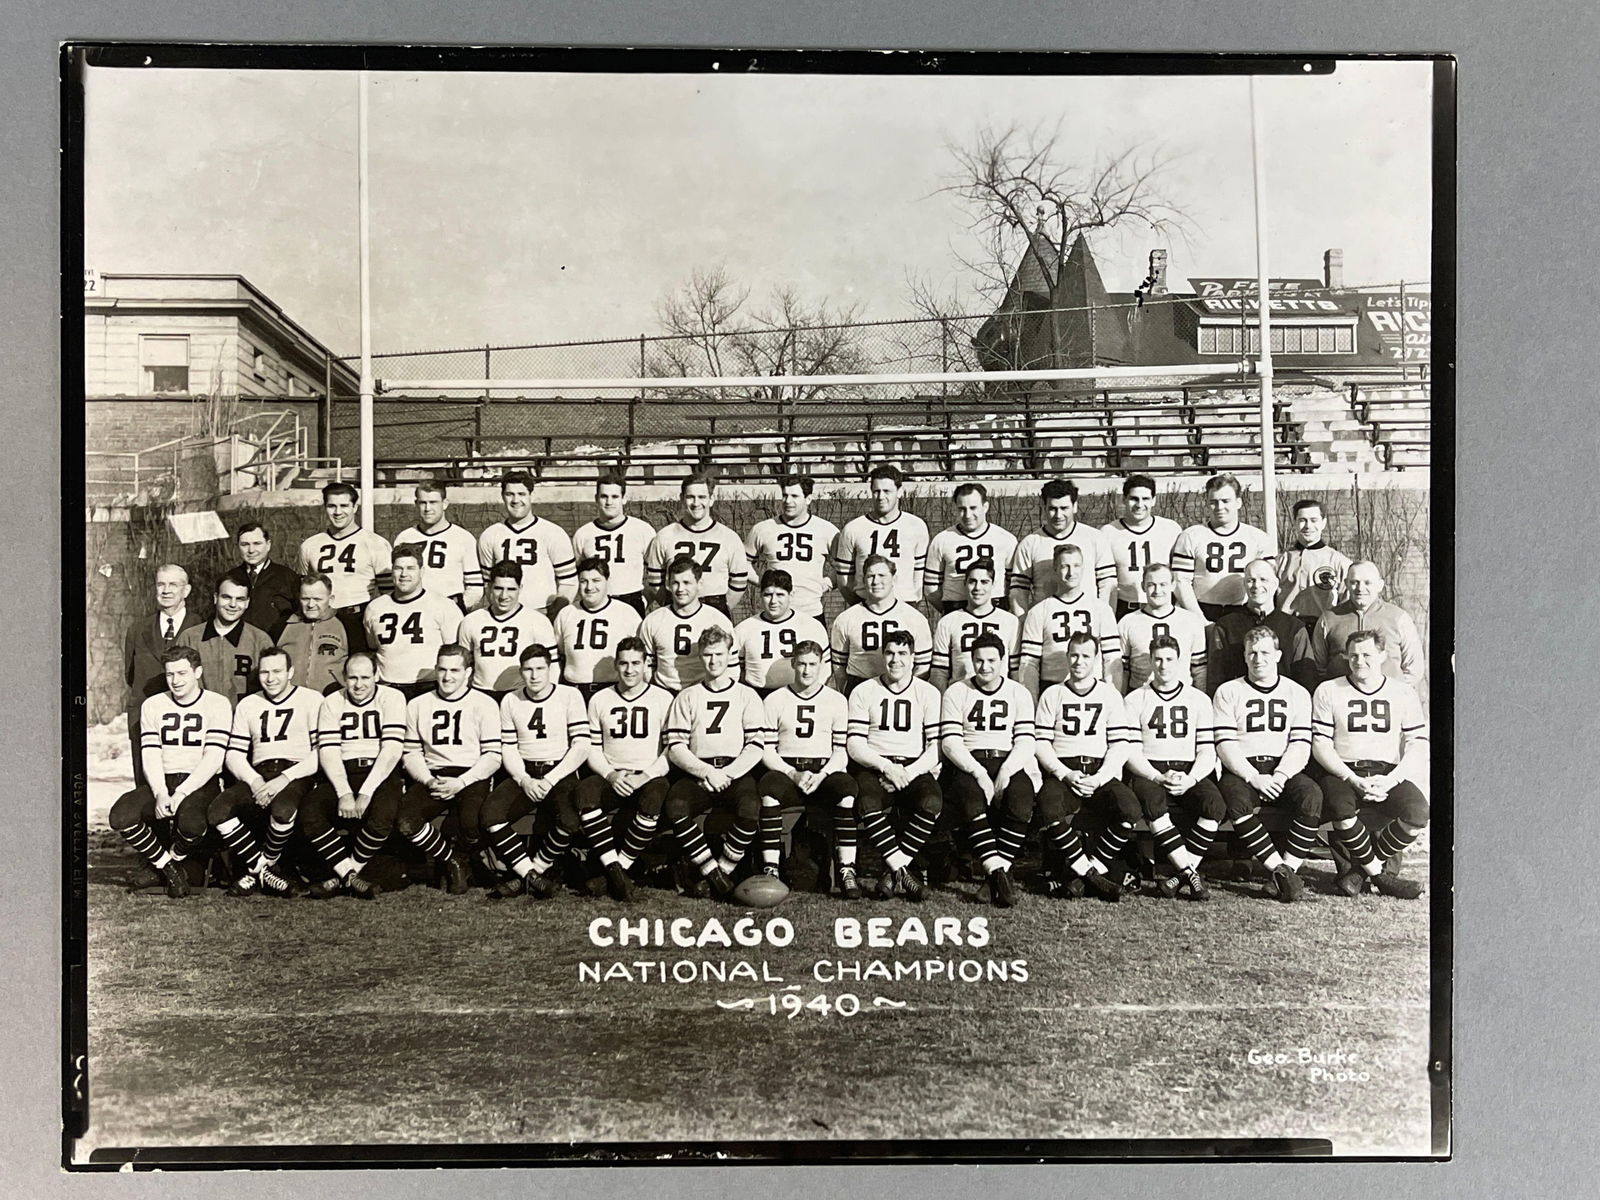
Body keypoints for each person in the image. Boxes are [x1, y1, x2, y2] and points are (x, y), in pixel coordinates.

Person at [1311, 629, 1430, 900]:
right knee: (1341, 810)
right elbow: (1321, 745)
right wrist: (1352, 778)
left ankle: (1359, 873)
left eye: (1367, 654)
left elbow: (1418, 743)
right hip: (1343, 771)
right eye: (1353, 655)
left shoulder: (1402, 692)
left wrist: (1392, 779)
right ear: (1344, 657)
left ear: (1382, 655)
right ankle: (1380, 876)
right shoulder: (1329, 690)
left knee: (1418, 812)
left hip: (1386, 772)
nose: (1359, 660)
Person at [106, 645, 232, 897]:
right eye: (170, 674)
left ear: (198, 672)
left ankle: (166, 865)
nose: (175, 681)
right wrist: (161, 792)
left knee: (192, 824)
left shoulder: (217, 703)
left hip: (200, 782)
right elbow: (150, 753)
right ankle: (170, 869)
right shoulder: (153, 705)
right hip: (163, 781)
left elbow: (214, 756)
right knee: (120, 815)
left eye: (182, 673)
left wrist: (183, 792)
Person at [1213, 626, 1322, 903]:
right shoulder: (1228, 691)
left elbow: (1300, 743)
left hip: (1281, 768)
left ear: (1278, 655)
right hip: (1242, 769)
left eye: (1264, 652)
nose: (1258, 658)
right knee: (1236, 802)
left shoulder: (1296, 693)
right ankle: (1281, 872)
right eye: (1252, 652)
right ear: (1244, 656)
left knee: (1312, 795)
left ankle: (1286, 871)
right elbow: (1225, 744)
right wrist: (1253, 777)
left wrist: (1281, 775)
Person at [662, 628, 771, 897]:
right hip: (699, 772)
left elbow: (756, 746)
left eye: (719, 654)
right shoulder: (687, 696)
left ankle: (723, 870)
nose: (713, 661)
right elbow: (676, 747)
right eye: (708, 655)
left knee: (750, 807)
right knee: (676, 806)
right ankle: (713, 874)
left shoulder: (747, 695)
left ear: (730, 654)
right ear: (700, 656)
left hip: (734, 771)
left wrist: (728, 774)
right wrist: (707, 772)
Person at [209, 646, 325, 897]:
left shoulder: (311, 699)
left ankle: (255, 872)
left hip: (297, 773)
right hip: (260, 773)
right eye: (264, 672)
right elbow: (234, 753)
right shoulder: (248, 704)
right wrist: (255, 781)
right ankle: (265, 869)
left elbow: (322, 753)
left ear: (290, 672)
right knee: (218, 811)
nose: (270, 679)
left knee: (283, 811)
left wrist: (284, 779)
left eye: (277, 671)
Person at [480, 645, 593, 900]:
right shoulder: (511, 700)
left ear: (551, 669)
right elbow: (508, 747)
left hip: (560, 769)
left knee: (569, 821)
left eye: (540, 668)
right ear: (521, 671)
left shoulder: (569, 695)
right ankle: (532, 876)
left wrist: (551, 779)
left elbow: (581, 745)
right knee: (490, 815)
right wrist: (524, 779)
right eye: (528, 669)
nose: (534, 675)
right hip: (526, 771)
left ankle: (528, 876)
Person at [570, 637, 675, 897]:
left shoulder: (663, 698)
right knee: (585, 793)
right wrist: (610, 774)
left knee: (654, 799)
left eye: (636, 663)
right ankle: (618, 873)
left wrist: (645, 776)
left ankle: (615, 873)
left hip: (648, 775)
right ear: (616, 666)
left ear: (647, 665)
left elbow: (670, 750)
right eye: (624, 664)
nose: (630, 670)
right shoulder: (599, 699)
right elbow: (592, 748)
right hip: (613, 774)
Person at [1033, 632, 1135, 901]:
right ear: (1067, 657)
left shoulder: (1109, 695)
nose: (1079, 662)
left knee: (1130, 809)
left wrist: (1100, 778)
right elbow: (1041, 744)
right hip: (1066, 770)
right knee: (1048, 806)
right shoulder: (1052, 694)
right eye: (1074, 655)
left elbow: (1120, 745)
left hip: (1099, 771)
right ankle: (1091, 877)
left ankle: (1082, 877)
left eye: (1086, 656)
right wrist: (1064, 774)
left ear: (1096, 659)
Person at [938, 633, 1038, 907]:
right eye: (979, 661)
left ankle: (994, 875)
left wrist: (1006, 770)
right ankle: (999, 874)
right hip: (968, 762)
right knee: (972, 801)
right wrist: (978, 772)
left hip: (1009, 760)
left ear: (1003, 661)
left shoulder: (1019, 692)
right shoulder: (957, 691)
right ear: (971, 661)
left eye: (992, 660)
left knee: (1021, 799)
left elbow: (1026, 740)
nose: (985, 667)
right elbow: (950, 742)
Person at [298, 650, 407, 899]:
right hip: (343, 771)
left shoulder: (393, 698)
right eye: (352, 678)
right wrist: (345, 792)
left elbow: (391, 750)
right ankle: (350, 876)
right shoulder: (332, 702)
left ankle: (342, 877)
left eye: (365, 677)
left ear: (377, 675)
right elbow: (328, 751)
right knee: (310, 811)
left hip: (380, 770)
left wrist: (366, 792)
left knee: (383, 814)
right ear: (343, 678)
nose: (358, 685)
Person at [396, 644, 504, 894]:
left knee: (470, 823)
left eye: (455, 670)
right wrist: (427, 780)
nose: (447, 677)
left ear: (468, 672)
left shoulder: (484, 704)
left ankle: (467, 863)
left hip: (471, 774)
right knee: (405, 822)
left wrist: (462, 782)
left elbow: (492, 756)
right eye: (442, 669)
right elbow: (411, 752)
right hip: (433, 774)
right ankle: (453, 860)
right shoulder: (418, 704)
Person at [1123, 635, 1223, 902]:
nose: (1163, 665)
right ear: (1150, 661)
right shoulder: (1135, 699)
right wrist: (1156, 775)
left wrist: (1191, 779)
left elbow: (1206, 750)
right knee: (1154, 803)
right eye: (1158, 659)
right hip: (1150, 771)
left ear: (1180, 662)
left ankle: (1180, 876)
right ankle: (1191, 875)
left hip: (1187, 770)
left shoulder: (1198, 700)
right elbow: (1131, 752)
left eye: (1169, 659)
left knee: (1215, 805)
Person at [846, 630, 944, 901]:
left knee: (932, 802)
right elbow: (855, 744)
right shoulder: (864, 690)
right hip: (875, 766)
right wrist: (886, 767)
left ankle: (890, 872)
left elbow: (936, 747)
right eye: (889, 653)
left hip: (914, 766)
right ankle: (903, 872)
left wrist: (907, 773)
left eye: (902, 654)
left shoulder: (928, 693)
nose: (895, 660)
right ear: (882, 656)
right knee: (866, 803)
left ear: (913, 658)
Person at [757, 641, 860, 897]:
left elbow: (840, 751)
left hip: (822, 771)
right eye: (801, 664)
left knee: (847, 790)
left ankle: (847, 869)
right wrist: (792, 773)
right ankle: (771, 869)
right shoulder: (775, 699)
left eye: (812, 664)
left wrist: (822, 774)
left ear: (822, 666)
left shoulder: (836, 700)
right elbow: (767, 750)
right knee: (768, 789)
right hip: (788, 770)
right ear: (793, 664)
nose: (806, 671)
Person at [122, 563, 204, 783]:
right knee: (147, 788)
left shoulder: (201, 628)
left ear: (186, 590)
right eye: (161, 584)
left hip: (187, 722)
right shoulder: (138, 629)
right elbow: (130, 674)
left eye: (173, 585)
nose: (166, 590)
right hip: (145, 716)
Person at [1017, 544, 1122, 697]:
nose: (1071, 573)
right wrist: (1032, 702)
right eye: (1064, 566)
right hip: (1052, 690)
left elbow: (1112, 660)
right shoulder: (1039, 611)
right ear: (1055, 569)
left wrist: (1113, 699)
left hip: (1093, 689)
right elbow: (1029, 664)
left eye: (1076, 566)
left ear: (1083, 568)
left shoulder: (1101, 609)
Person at [299, 481, 392, 651]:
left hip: (358, 618)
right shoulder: (310, 545)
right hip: (323, 619)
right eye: (331, 506)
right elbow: (306, 586)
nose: (338, 512)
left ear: (355, 507)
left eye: (344, 505)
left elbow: (389, 594)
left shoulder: (375, 543)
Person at [362, 543, 465, 698]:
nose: (404, 574)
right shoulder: (375, 607)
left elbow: (454, 654)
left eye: (410, 568)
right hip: (388, 688)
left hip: (428, 688)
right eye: (398, 568)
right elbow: (372, 647)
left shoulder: (443, 606)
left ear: (421, 571)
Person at [1171, 472, 1277, 620]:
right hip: (1203, 609)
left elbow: (1269, 582)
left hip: (1244, 612)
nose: (1219, 507)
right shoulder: (1191, 535)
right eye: (1213, 501)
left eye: (1226, 501)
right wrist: (1200, 619)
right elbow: (1180, 581)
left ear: (1239, 502)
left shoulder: (1258, 538)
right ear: (1207, 503)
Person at [1204, 558, 1318, 692]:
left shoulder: (1294, 627)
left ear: (1275, 584)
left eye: (1263, 580)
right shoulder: (1226, 626)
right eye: (1250, 580)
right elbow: (1215, 678)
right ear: (1244, 584)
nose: (1256, 585)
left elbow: (1306, 679)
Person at [644, 473, 751, 615]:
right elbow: (655, 580)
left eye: (702, 497)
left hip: (715, 606)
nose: (696, 503)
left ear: (711, 499)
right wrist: (671, 604)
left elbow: (739, 582)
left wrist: (721, 609)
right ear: (682, 499)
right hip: (677, 607)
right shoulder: (664, 536)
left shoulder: (729, 537)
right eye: (690, 497)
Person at [1007, 478, 1115, 614]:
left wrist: (1103, 619)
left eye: (1064, 508)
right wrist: (1023, 622)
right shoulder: (1030, 543)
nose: (1058, 515)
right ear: (1043, 507)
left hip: (1087, 622)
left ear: (1075, 506)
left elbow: (1107, 586)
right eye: (1052, 509)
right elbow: (1019, 591)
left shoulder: (1095, 538)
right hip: (1046, 623)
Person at [476, 469, 577, 615]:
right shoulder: (490, 535)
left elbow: (569, 582)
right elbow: (488, 584)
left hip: (543, 611)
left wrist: (554, 614)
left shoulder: (553, 533)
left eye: (521, 494)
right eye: (510, 494)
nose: (516, 500)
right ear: (502, 496)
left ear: (531, 495)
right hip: (505, 614)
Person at [1311, 560, 1425, 688]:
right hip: (1343, 699)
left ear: (1380, 585)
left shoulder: (1398, 618)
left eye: (1367, 583)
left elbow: (1414, 667)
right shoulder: (1329, 619)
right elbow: (1318, 666)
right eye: (1354, 582)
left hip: (1387, 700)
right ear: (1346, 584)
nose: (1360, 588)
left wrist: (1394, 692)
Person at [828, 554, 933, 693]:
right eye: (870, 576)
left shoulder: (914, 619)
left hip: (900, 689)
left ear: (893, 579)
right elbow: (839, 669)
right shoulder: (845, 619)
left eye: (882, 575)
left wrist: (905, 691)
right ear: (864, 580)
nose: (876, 581)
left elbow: (923, 667)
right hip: (859, 688)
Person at [831, 464, 931, 606]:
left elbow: (918, 577)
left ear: (899, 491)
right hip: (866, 605)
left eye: (887, 491)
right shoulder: (853, 529)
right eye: (876, 491)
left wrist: (910, 602)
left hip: (905, 605)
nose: (881, 497)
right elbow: (844, 582)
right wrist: (861, 606)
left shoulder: (916, 526)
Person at [744, 473, 840, 620]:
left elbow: (845, 567)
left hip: (811, 611)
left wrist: (827, 584)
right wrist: (763, 582)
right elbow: (742, 563)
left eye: (794, 496)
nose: (788, 501)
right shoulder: (763, 529)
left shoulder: (826, 530)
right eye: (785, 495)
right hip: (776, 613)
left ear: (808, 499)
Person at [637, 555, 737, 692]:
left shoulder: (718, 620)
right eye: (675, 583)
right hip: (665, 692)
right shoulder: (653, 620)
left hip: (703, 693)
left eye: (686, 583)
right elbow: (646, 667)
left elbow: (731, 667)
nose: (680, 589)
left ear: (699, 584)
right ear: (668, 585)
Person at [456, 560, 558, 694]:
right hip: (480, 693)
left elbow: (552, 667)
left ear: (520, 589)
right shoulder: (471, 621)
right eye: (498, 588)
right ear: (490, 587)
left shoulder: (538, 621)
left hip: (521, 695)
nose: (504, 596)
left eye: (511, 589)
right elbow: (462, 666)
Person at [175, 570, 274, 704]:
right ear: (216, 598)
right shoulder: (190, 638)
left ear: (247, 603)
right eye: (226, 597)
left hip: (243, 719)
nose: (233, 605)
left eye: (240, 599)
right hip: (201, 717)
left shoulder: (260, 640)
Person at [552, 556, 643, 699]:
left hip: (612, 691)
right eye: (583, 581)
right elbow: (559, 655)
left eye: (596, 581)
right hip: (574, 692)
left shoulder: (627, 613)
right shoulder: (567, 614)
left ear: (607, 581)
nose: (589, 587)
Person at [923, 482, 1018, 614]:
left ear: (985, 507)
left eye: (973, 508)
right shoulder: (942, 540)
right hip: (956, 609)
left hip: (996, 609)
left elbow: (1015, 587)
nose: (967, 515)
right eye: (961, 509)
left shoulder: (1005, 539)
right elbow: (931, 589)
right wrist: (952, 613)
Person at [733, 569, 829, 696]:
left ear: (791, 595)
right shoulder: (744, 628)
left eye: (780, 595)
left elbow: (825, 669)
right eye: (768, 595)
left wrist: (810, 694)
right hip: (758, 695)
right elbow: (734, 671)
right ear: (760, 595)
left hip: (797, 696)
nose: (773, 601)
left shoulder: (811, 626)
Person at [572, 474, 656, 617]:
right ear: (596, 499)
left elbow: (656, 572)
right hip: (597, 601)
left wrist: (645, 599)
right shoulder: (583, 534)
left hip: (630, 599)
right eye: (604, 496)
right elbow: (575, 575)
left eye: (615, 497)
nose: (609, 502)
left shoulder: (643, 530)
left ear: (624, 499)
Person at [929, 559, 1021, 691]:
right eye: (972, 582)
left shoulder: (1010, 622)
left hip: (999, 697)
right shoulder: (948, 621)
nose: (978, 588)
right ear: (965, 584)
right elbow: (939, 671)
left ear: (993, 585)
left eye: (984, 582)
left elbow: (1015, 671)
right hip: (961, 697)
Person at [1117, 562, 1208, 693]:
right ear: (1143, 587)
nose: (1157, 591)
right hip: (1141, 696)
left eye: (1162, 585)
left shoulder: (1191, 621)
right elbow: (1122, 670)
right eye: (1151, 585)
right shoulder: (1127, 622)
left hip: (1181, 697)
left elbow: (1199, 669)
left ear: (1173, 585)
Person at [392, 481, 484, 610]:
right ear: (416, 504)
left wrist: (451, 610)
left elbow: (475, 588)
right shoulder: (405, 537)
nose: (427, 508)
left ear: (445, 504)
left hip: (450, 612)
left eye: (433, 502)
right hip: (413, 612)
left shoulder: (464, 538)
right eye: (423, 503)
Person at [1100, 474, 1183, 618]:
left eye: (1145, 499)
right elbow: (1107, 583)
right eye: (1134, 499)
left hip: (1163, 606)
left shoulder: (1171, 529)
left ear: (1154, 500)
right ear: (1124, 499)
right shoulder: (1108, 532)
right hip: (1125, 608)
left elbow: (1180, 576)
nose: (1139, 504)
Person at [1276, 498, 1351, 628]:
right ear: (1294, 523)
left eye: (1313, 520)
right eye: (1302, 520)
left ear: (1323, 523)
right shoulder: (1281, 561)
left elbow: (1347, 603)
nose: (1308, 526)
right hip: (1287, 628)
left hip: (1322, 629)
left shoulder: (1339, 562)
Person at [273, 573, 348, 694]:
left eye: (318, 599)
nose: (311, 605)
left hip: (331, 698)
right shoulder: (282, 625)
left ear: (331, 599)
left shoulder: (346, 624)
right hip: (290, 699)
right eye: (305, 599)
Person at [234, 522, 301, 637]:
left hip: (276, 647)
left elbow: (300, 616)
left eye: (257, 544)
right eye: (245, 544)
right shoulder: (230, 578)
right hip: (240, 647)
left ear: (268, 545)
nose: (251, 550)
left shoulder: (287, 577)